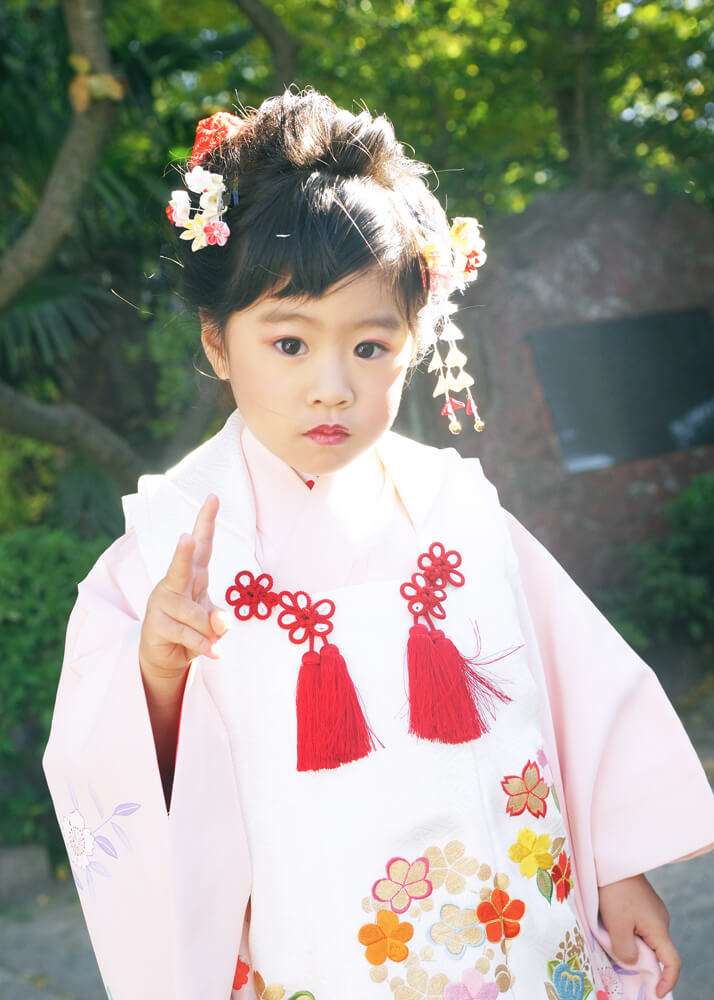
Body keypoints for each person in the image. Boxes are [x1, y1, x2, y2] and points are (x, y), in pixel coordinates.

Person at [42, 86, 714, 1000]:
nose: (332, 387)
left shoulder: (455, 505)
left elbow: (571, 695)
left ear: (412, 343)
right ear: (215, 342)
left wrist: (617, 867)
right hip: (319, 941)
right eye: (289, 344)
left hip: (510, 913)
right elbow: (104, 757)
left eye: (370, 346)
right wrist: (155, 672)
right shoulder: (166, 545)